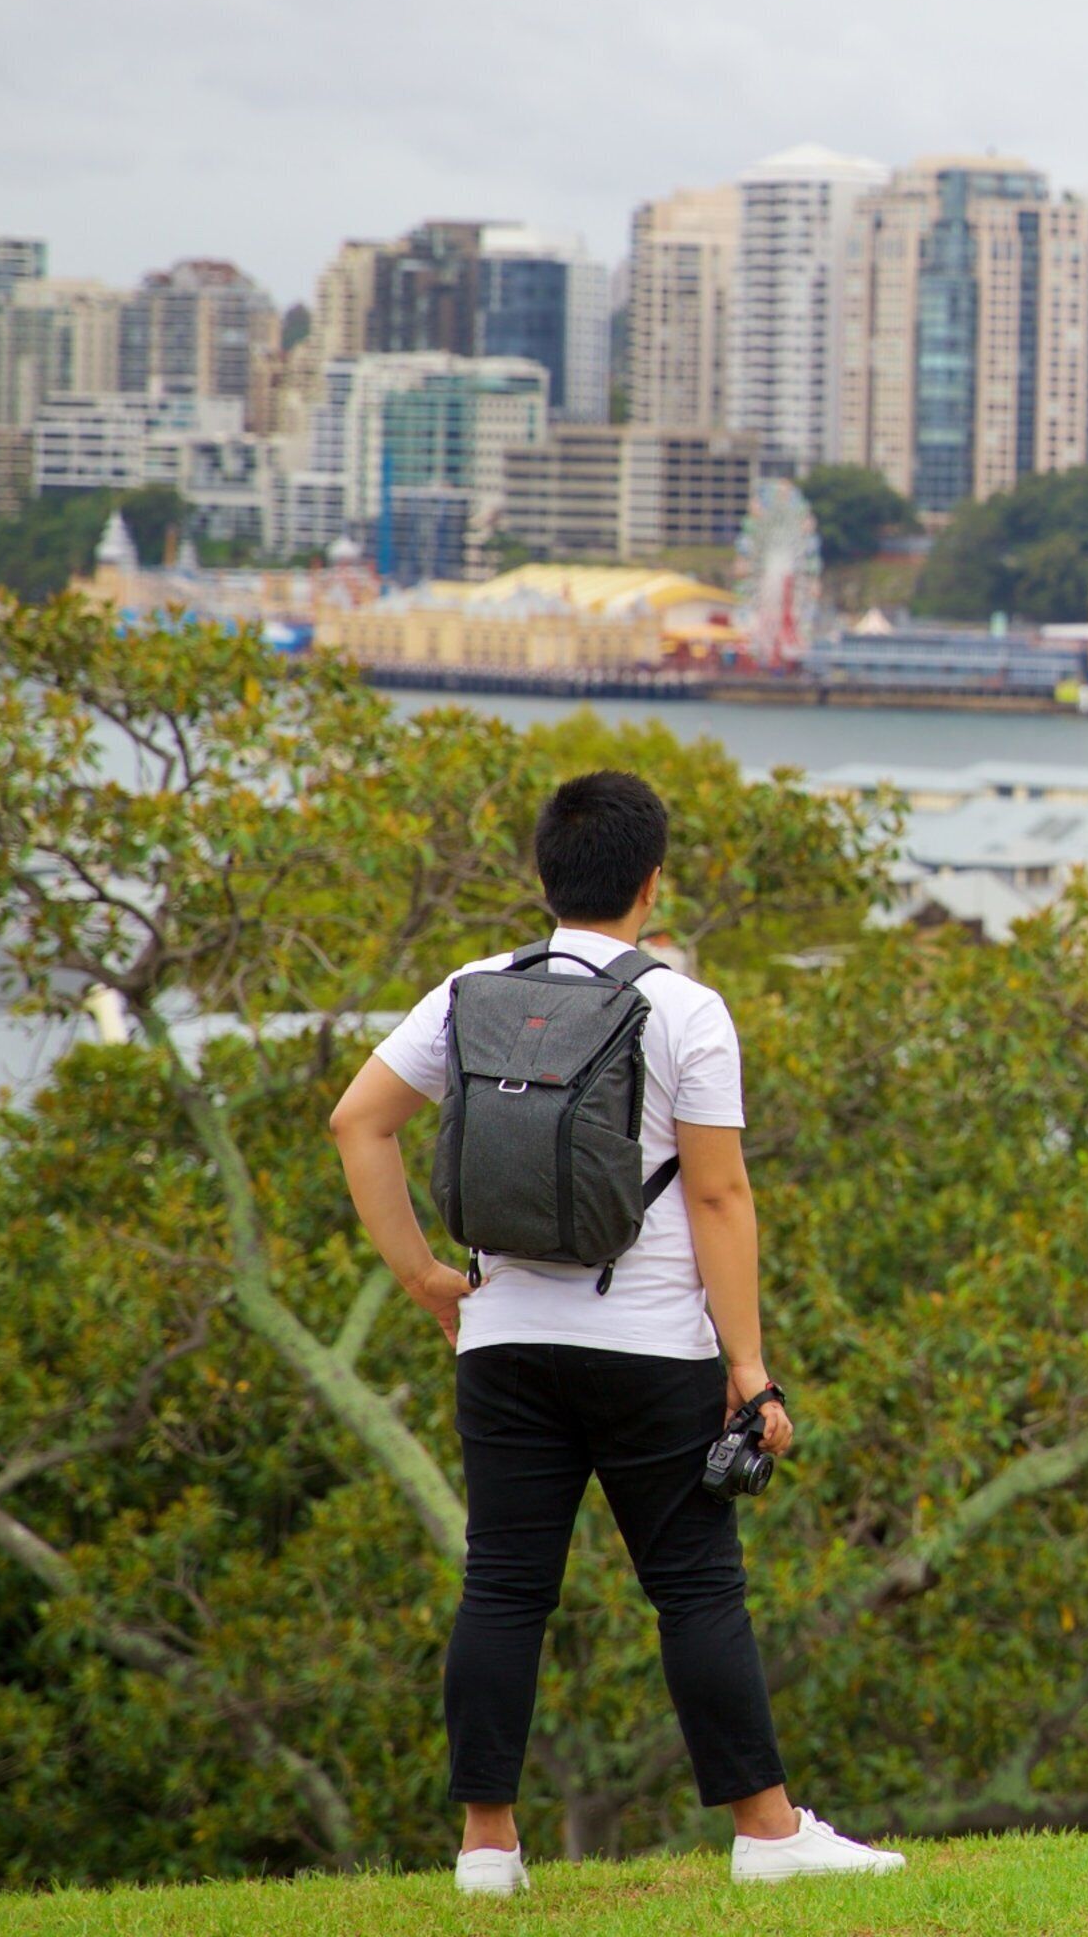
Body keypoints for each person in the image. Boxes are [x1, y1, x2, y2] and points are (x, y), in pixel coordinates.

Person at [330, 770, 904, 1893]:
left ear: (544, 876)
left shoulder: (469, 990)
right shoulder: (685, 1008)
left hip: (499, 1340)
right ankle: (768, 1835)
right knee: (693, 1585)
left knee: (502, 1584)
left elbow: (361, 1125)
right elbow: (720, 1197)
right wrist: (749, 1369)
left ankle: (487, 1850)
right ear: (653, 884)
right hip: (648, 1348)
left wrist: (428, 1281)